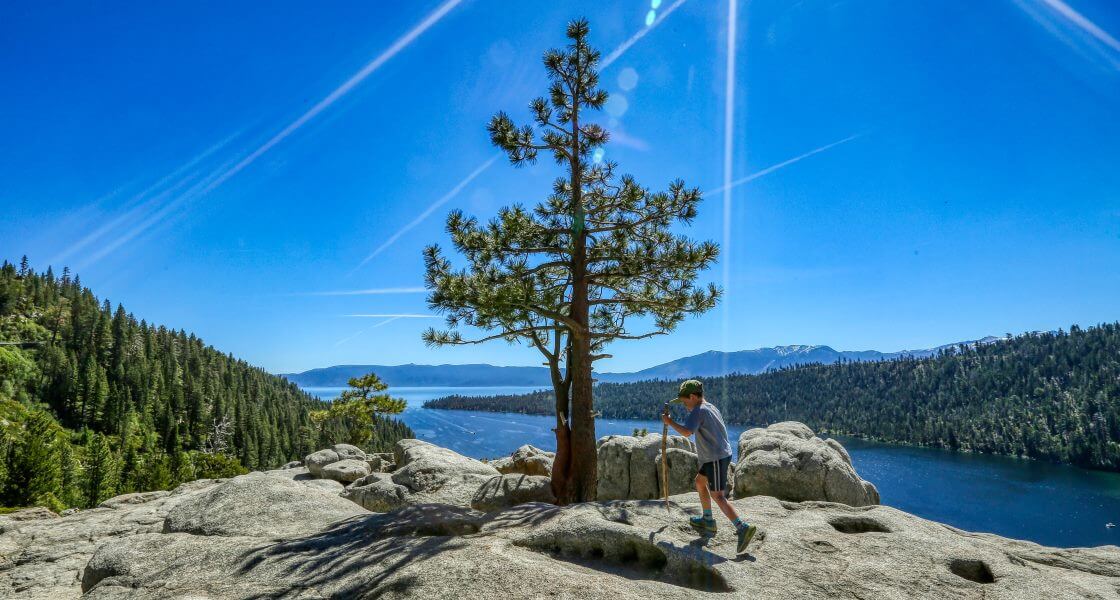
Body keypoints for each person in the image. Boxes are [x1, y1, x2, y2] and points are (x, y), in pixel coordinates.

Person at [661, 379, 758, 553]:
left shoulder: (698, 411)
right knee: (699, 482)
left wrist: (669, 422)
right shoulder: (711, 407)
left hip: (715, 458)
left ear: (692, 396)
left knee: (718, 496)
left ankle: (742, 528)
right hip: (717, 456)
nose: (684, 405)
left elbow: (686, 432)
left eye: (684, 401)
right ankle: (708, 520)